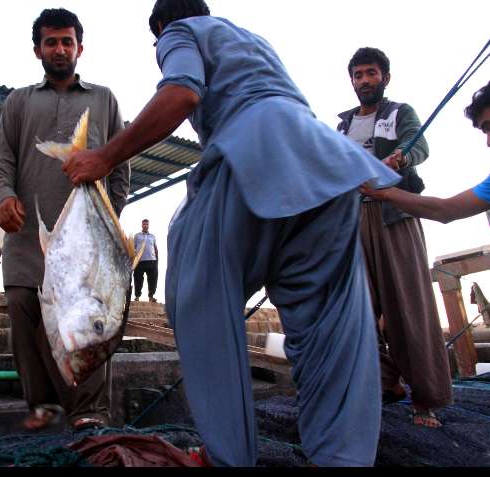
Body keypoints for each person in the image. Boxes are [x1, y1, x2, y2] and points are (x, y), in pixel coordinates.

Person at [62, 0, 400, 467]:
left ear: (161, 28)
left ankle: (228, 456)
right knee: (331, 328)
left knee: (199, 301)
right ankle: (343, 457)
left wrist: (105, 157)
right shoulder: (252, 40)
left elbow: (182, 93)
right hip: (326, 170)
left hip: (253, 155)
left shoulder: (178, 34)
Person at [0, 8, 130, 432]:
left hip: (88, 250)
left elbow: (119, 166)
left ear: (80, 48)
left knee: (89, 320)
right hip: (28, 239)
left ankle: (91, 413)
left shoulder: (103, 99)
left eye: (67, 41)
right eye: (51, 42)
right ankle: (43, 409)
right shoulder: (19, 102)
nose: (60, 49)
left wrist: (107, 221)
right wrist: (3, 197)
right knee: (23, 311)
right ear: (38, 50)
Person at [338, 47, 452, 428]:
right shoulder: (342, 126)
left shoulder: (400, 112)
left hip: (394, 214)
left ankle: (426, 399)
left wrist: (400, 157)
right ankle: (386, 383)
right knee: (353, 309)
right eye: (358, 75)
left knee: (408, 305)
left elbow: (418, 144)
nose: (364, 81)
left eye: (371, 73)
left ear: (385, 77)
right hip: (352, 220)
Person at [362, 81, 490, 221]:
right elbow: (447, 210)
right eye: (486, 131)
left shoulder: (401, 111)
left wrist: (401, 157)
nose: (488, 142)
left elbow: (446, 211)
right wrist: (385, 193)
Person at [133, 219, 159, 302]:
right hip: (139, 261)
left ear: (149, 225)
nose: (145, 226)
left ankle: (151, 296)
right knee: (138, 279)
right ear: (141, 225)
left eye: (147, 224)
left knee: (153, 279)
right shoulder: (137, 236)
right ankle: (137, 296)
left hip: (151, 260)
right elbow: (133, 248)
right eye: (144, 224)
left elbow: (155, 248)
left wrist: (157, 260)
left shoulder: (152, 236)